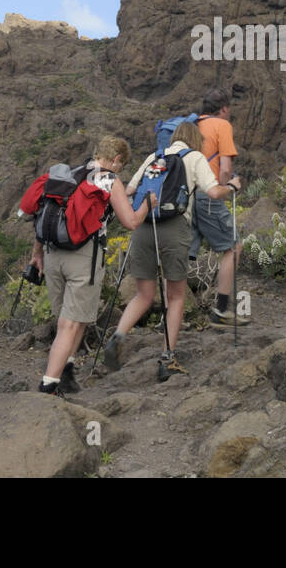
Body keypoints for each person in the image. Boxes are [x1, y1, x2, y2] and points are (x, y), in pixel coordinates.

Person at [103, 121, 240, 380]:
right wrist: (232, 187)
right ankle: (167, 359)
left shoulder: (155, 156)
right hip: (174, 228)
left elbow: (130, 190)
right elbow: (213, 192)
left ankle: (118, 337)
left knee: (143, 295)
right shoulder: (194, 157)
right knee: (175, 296)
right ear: (194, 139)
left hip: (144, 226)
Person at [26, 135, 150, 395]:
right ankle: (48, 385)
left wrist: (36, 254)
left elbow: (43, 212)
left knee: (74, 319)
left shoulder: (71, 173)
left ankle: (67, 372)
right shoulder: (109, 178)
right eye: (121, 166)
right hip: (83, 257)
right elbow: (130, 221)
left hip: (52, 254)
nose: (119, 170)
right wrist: (148, 205)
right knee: (69, 325)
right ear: (116, 160)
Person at [192, 88, 248, 328]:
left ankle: (169, 310)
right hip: (208, 194)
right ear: (224, 108)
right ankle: (222, 310)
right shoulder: (222, 125)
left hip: (186, 195)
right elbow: (225, 168)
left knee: (183, 255)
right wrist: (226, 189)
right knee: (233, 247)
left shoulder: (191, 125)